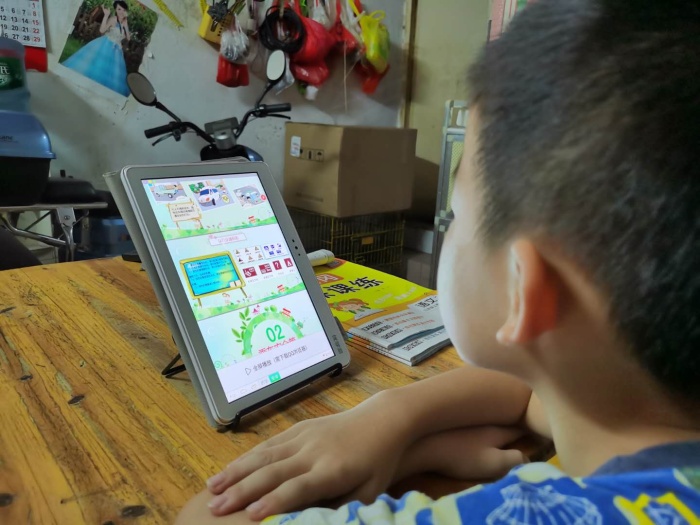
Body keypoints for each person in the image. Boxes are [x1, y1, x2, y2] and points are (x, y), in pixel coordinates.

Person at [177, 0, 700, 522]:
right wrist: (392, 419)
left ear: (526, 290)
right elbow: (533, 391)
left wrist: (411, 453)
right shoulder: (626, 400)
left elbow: (209, 514)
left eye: (454, 212)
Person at [63, 1, 131, 96]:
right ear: (116, 10)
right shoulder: (113, 19)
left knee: (112, 73)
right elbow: (102, 30)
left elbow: (128, 38)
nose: (121, 12)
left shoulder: (124, 23)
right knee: (97, 65)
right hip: (106, 44)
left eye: (123, 10)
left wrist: (126, 25)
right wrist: (106, 15)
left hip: (117, 51)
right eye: (119, 9)